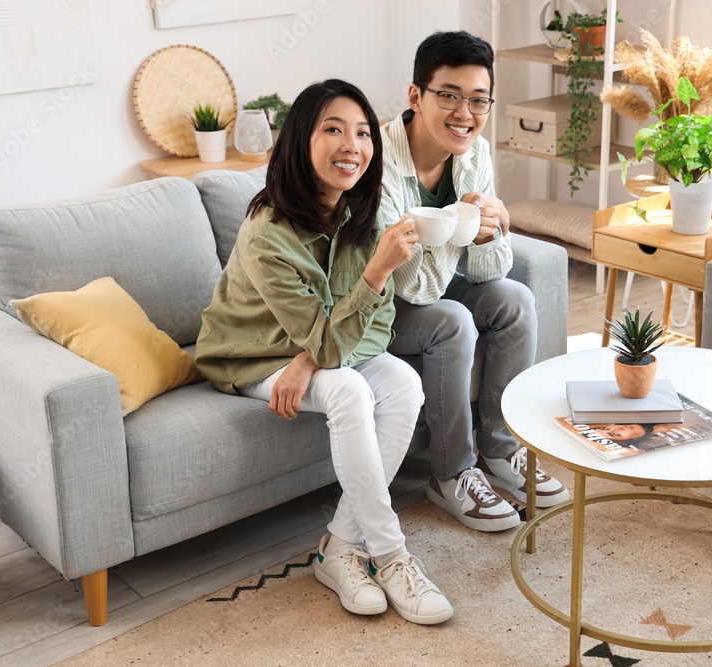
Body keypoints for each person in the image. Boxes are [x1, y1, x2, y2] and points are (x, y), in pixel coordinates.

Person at [195, 79, 452, 625]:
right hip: (255, 357)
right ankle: (391, 555)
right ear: (299, 141)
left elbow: (376, 330)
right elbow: (341, 341)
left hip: (312, 351)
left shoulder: (365, 211)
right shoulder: (268, 232)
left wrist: (311, 357)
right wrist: (376, 274)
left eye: (362, 133)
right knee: (350, 388)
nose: (352, 146)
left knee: (404, 382)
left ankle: (337, 547)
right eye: (332, 129)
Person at [379, 30, 569, 533]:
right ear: (416, 96)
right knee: (453, 319)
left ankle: (501, 450)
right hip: (378, 302)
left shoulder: (474, 153)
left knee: (515, 299)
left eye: (479, 100)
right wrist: (455, 226)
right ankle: (451, 474)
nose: (465, 113)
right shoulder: (376, 160)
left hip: (434, 283)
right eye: (450, 96)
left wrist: (488, 233)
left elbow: (489, 273)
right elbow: (410, 289)